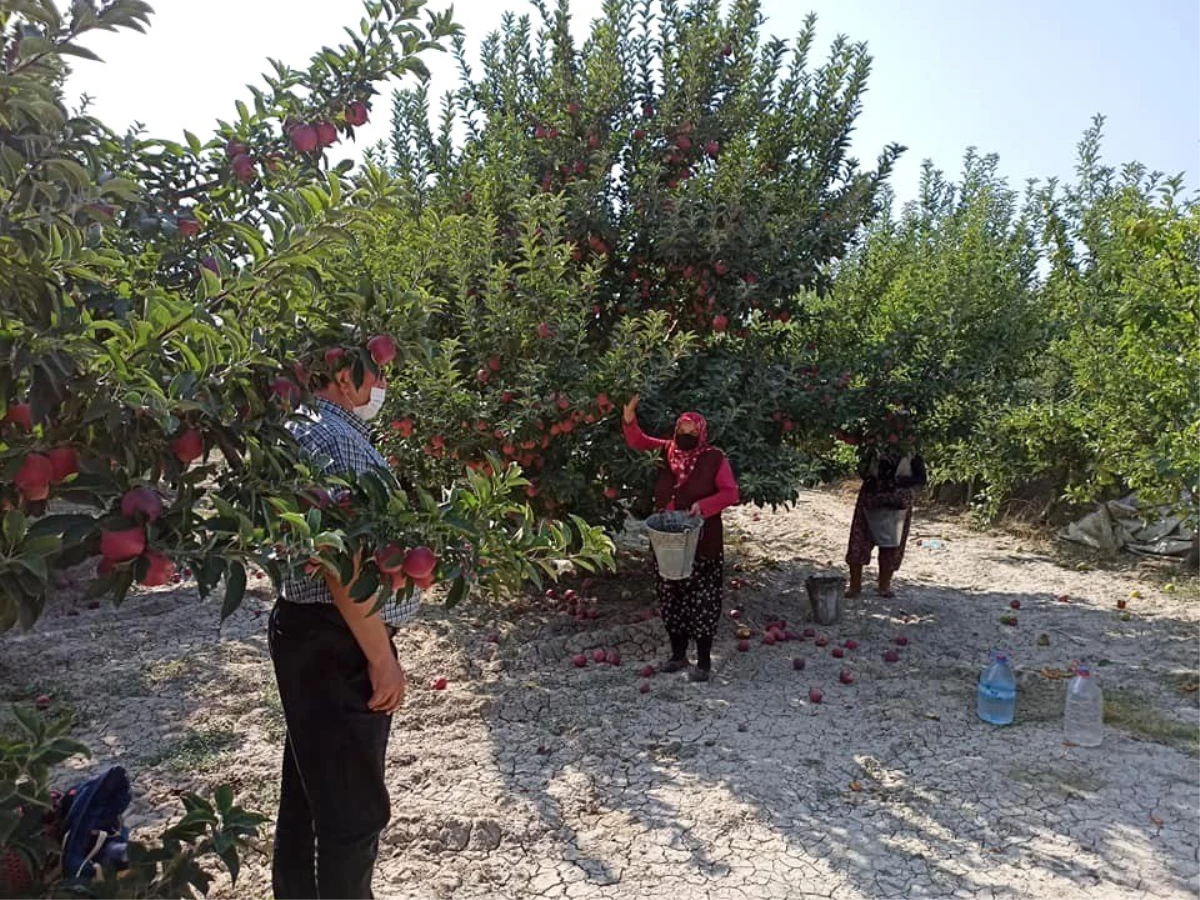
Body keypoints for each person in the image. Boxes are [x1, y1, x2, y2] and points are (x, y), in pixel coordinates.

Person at [270, 347, 417, 900]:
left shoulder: (312, 427)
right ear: (338, 371)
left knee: (312, 797)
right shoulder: (332, 439)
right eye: (373, 368)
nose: (382, 380)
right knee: (351, 811)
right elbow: (343, 561)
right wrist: (382, 659)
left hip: (318, 634)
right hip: (340, 639)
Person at [622, 394, 740, 682]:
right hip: (668, 541)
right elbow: (638, 441)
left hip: (703, 542)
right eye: (683, 429)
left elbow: (730, 493)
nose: (687, 435)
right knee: (671, 597)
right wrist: (628, 417)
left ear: (701, 433)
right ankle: (677, 655)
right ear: (676, 430)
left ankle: (702, 661)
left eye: (693, 431)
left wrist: (705, 507)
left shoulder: (714, 458)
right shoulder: (666, 450)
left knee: (702, 600)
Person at [846, 446, 928, 598]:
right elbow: (862, 470)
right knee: (860, 540)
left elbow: (921, 478)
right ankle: (855, 585)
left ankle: (884, 585)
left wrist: (900, 481)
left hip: (897, 502)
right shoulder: (875, 445)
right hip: (871, 498)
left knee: (891, 544)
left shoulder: (911, 451)